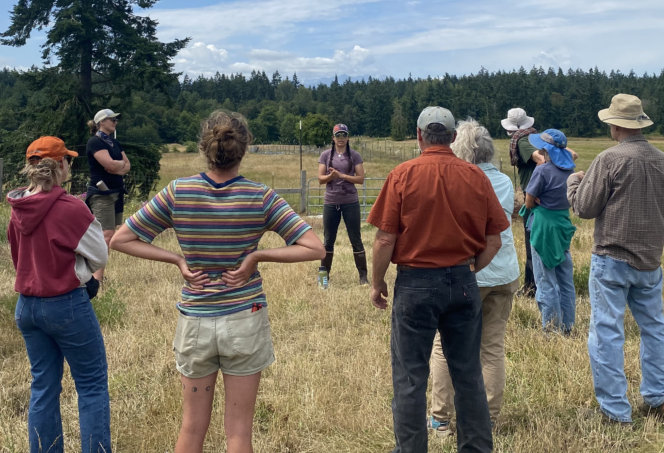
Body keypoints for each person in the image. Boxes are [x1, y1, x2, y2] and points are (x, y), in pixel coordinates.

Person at [110, 110, 325, 453]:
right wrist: (255, 257)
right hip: (245, 317)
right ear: (245, 148)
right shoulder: (261, 196)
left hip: (195, 320)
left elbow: (120, 240)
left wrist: (177, 259)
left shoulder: (178, 191)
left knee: (191, 429)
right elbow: (314, 248)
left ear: (204, 147)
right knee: (239, 433)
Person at [368, 106, 508, 453]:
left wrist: (377, 282)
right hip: (461, 280)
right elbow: (495, 239)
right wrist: (472, 267)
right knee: (468, 374)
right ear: (452, 137)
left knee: (410, 378)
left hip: (415, 283)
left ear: (418, 136)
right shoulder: (476, 177)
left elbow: (385, 239)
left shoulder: (402, 174)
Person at [568, 94, 664, 425]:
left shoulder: (607, 160)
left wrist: (573, 183)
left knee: (606, 332)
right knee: (654, 329)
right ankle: (661, 399)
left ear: (614, 124)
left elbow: (584, 209)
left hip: (612, 258)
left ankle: (615, 412)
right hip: (650, 261)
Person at [7, 136, 110, 453]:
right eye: (69, 160)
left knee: (43, 386)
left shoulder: (17, 207)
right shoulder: (70, 208)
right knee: (91, 385)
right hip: (65, 304)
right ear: (61, 165)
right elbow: (99, 255)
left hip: (27, 306)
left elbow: (17, 255)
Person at [428, 119, 519, 436]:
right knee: (491, 348)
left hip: (470, 272)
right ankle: (487, 419)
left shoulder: (459, 182)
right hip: (504, 271)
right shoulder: (505, 182)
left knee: (445, 346)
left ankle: (440, 419)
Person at [522, 129, 577, 334]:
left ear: (546, 149)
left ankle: (551, 328)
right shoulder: (569, 170)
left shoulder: (542, 170)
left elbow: (528, 203)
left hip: (543, 227)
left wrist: (534, 199)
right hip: (562, 224)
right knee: (564, 278)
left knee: (545, 279)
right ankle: (568, 326)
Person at [317, 123, 368, 285]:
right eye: (338, 135)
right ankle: (324, 279)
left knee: (356, 238)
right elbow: (320, 179)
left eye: (343, 135)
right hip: (331, 202)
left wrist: (342, 176)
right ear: (333, 138)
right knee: (328, 240)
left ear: (348, 138)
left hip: (350, 202)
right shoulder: (325, 155)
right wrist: (332, 177)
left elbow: (360, 179)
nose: (341, 138)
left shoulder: (355, 156)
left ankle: (363, 277)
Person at [86, 108, 130, 282]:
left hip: (116, 193)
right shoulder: (95, 143)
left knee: (109, 234)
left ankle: (97, 276)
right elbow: (112, 166)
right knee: (106, 235)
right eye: (111, 119)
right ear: (101, 122)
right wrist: (119, 165)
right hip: (102, 194)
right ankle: (96, 279)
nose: (115, 122)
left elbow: (127, 166)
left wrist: (117, 165)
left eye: (116, 119)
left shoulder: (114, 143)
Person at [502, 108, 540, 297]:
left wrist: (536, 188)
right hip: (542, 196)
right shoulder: (536, 137)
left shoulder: (523, 141)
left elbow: (541, 161)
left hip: (533, 196)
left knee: (531, 240)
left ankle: (531, 289)